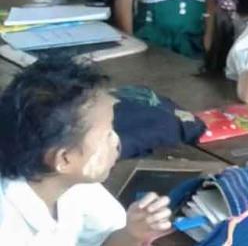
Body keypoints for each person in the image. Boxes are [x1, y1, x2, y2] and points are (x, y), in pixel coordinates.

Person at [0, 58, 174, 244]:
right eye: (107, 135)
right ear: (64, 159)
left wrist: (132, 233)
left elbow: (105, 238)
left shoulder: (73, 186)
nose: (116, 141)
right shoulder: (10, 232)